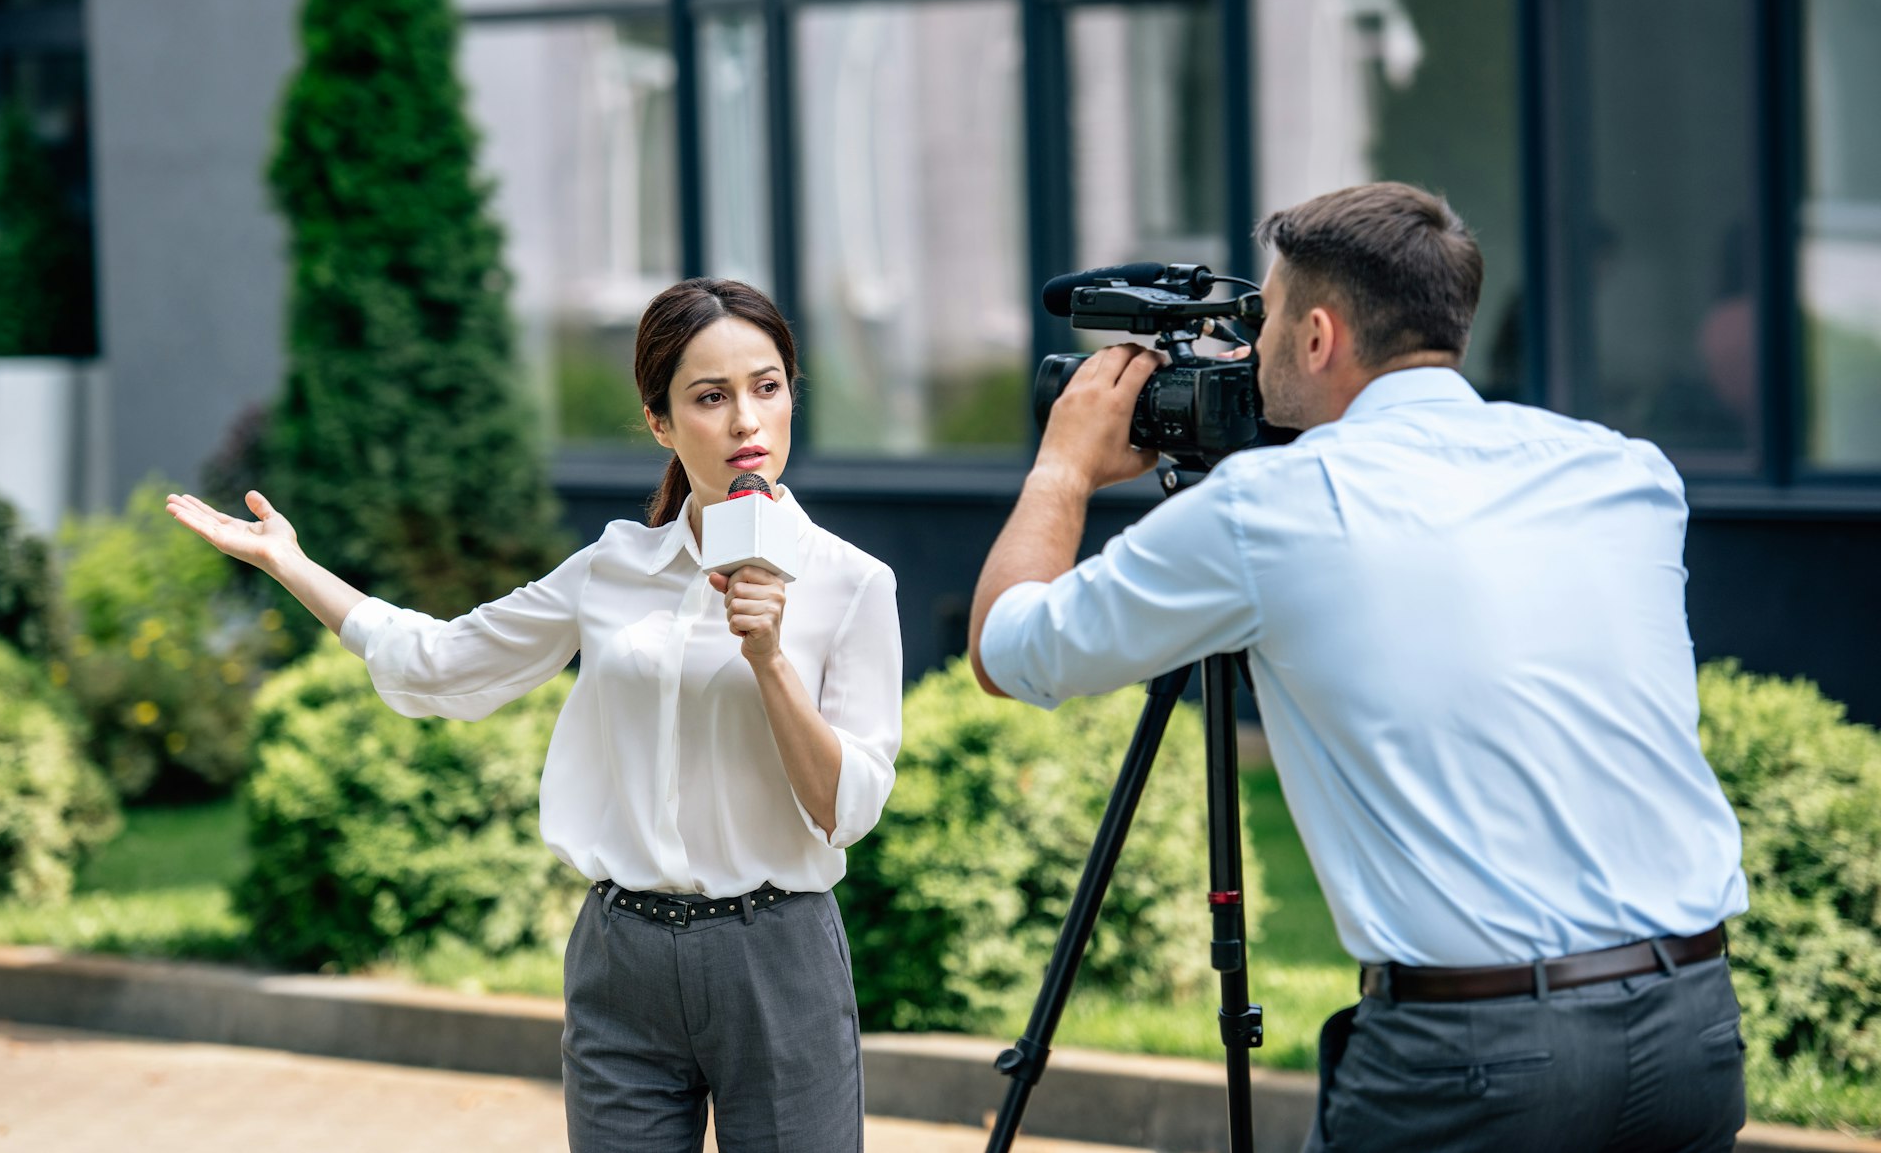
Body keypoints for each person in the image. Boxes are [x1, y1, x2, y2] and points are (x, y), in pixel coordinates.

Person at [967, 183, 1748, 1153]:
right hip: (1693, 1034)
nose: (1248, 357)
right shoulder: (1622, 472)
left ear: (1317, 337)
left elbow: (1008, 651)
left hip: (1470, 1059)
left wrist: (1063, 467)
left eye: (1264, 325)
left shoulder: (1267, 510)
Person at [169, 277, 902, 1152]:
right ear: (661, 422)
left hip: (776, 955)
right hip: (621, 960)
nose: (746, 419)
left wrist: (770, 659)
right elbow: (443, 662)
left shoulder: (853, 583)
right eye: (711, 396)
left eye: (767, 386)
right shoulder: (611, 568)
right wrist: (290, 565)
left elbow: (845, 807)